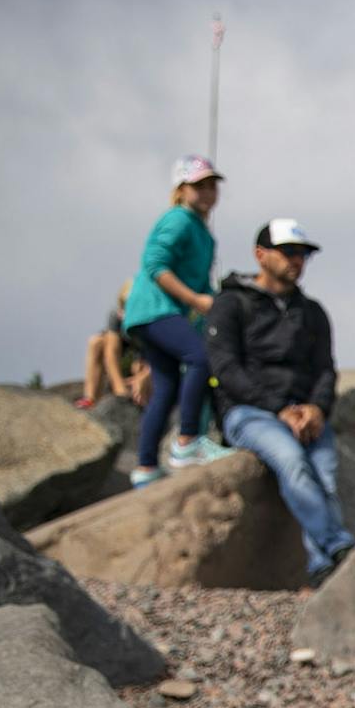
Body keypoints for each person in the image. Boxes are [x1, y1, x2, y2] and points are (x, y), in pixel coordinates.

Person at [206, 220, 355, 584]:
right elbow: (225, 369)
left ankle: (323, 569)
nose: (297, 261)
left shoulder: (313, 313)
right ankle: (338, 547)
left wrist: (316, 408)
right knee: (292, 462)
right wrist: (279, 409)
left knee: (326, 476)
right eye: (289, 252)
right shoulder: (230, 304)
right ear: (261, 255)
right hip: (249, 413)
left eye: (303, 254)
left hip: (304, 414)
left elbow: (325, 370)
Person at [124, 155, 236, 486]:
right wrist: (193, 300)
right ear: (181, 188)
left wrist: (214, 301)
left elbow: (201, 283)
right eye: (198, 185)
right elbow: (156, 264)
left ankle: (145, 467)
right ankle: (187, 441)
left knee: (167, 384)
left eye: (211, 185)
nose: (207, 192)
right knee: (200, 357)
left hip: (156, 313)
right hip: (155, 308)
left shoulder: (203, 233)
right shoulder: (178, 220)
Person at [77, 280, 149, 411]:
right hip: (126, 341)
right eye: (124, 307)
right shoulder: (116, 316)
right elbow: (112, 351)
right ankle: (90, 398)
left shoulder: (150, 318)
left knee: (139, 368)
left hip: (145, 348)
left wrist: (142, 376)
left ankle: (143, 402)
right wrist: (119, 386)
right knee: (96, 343)